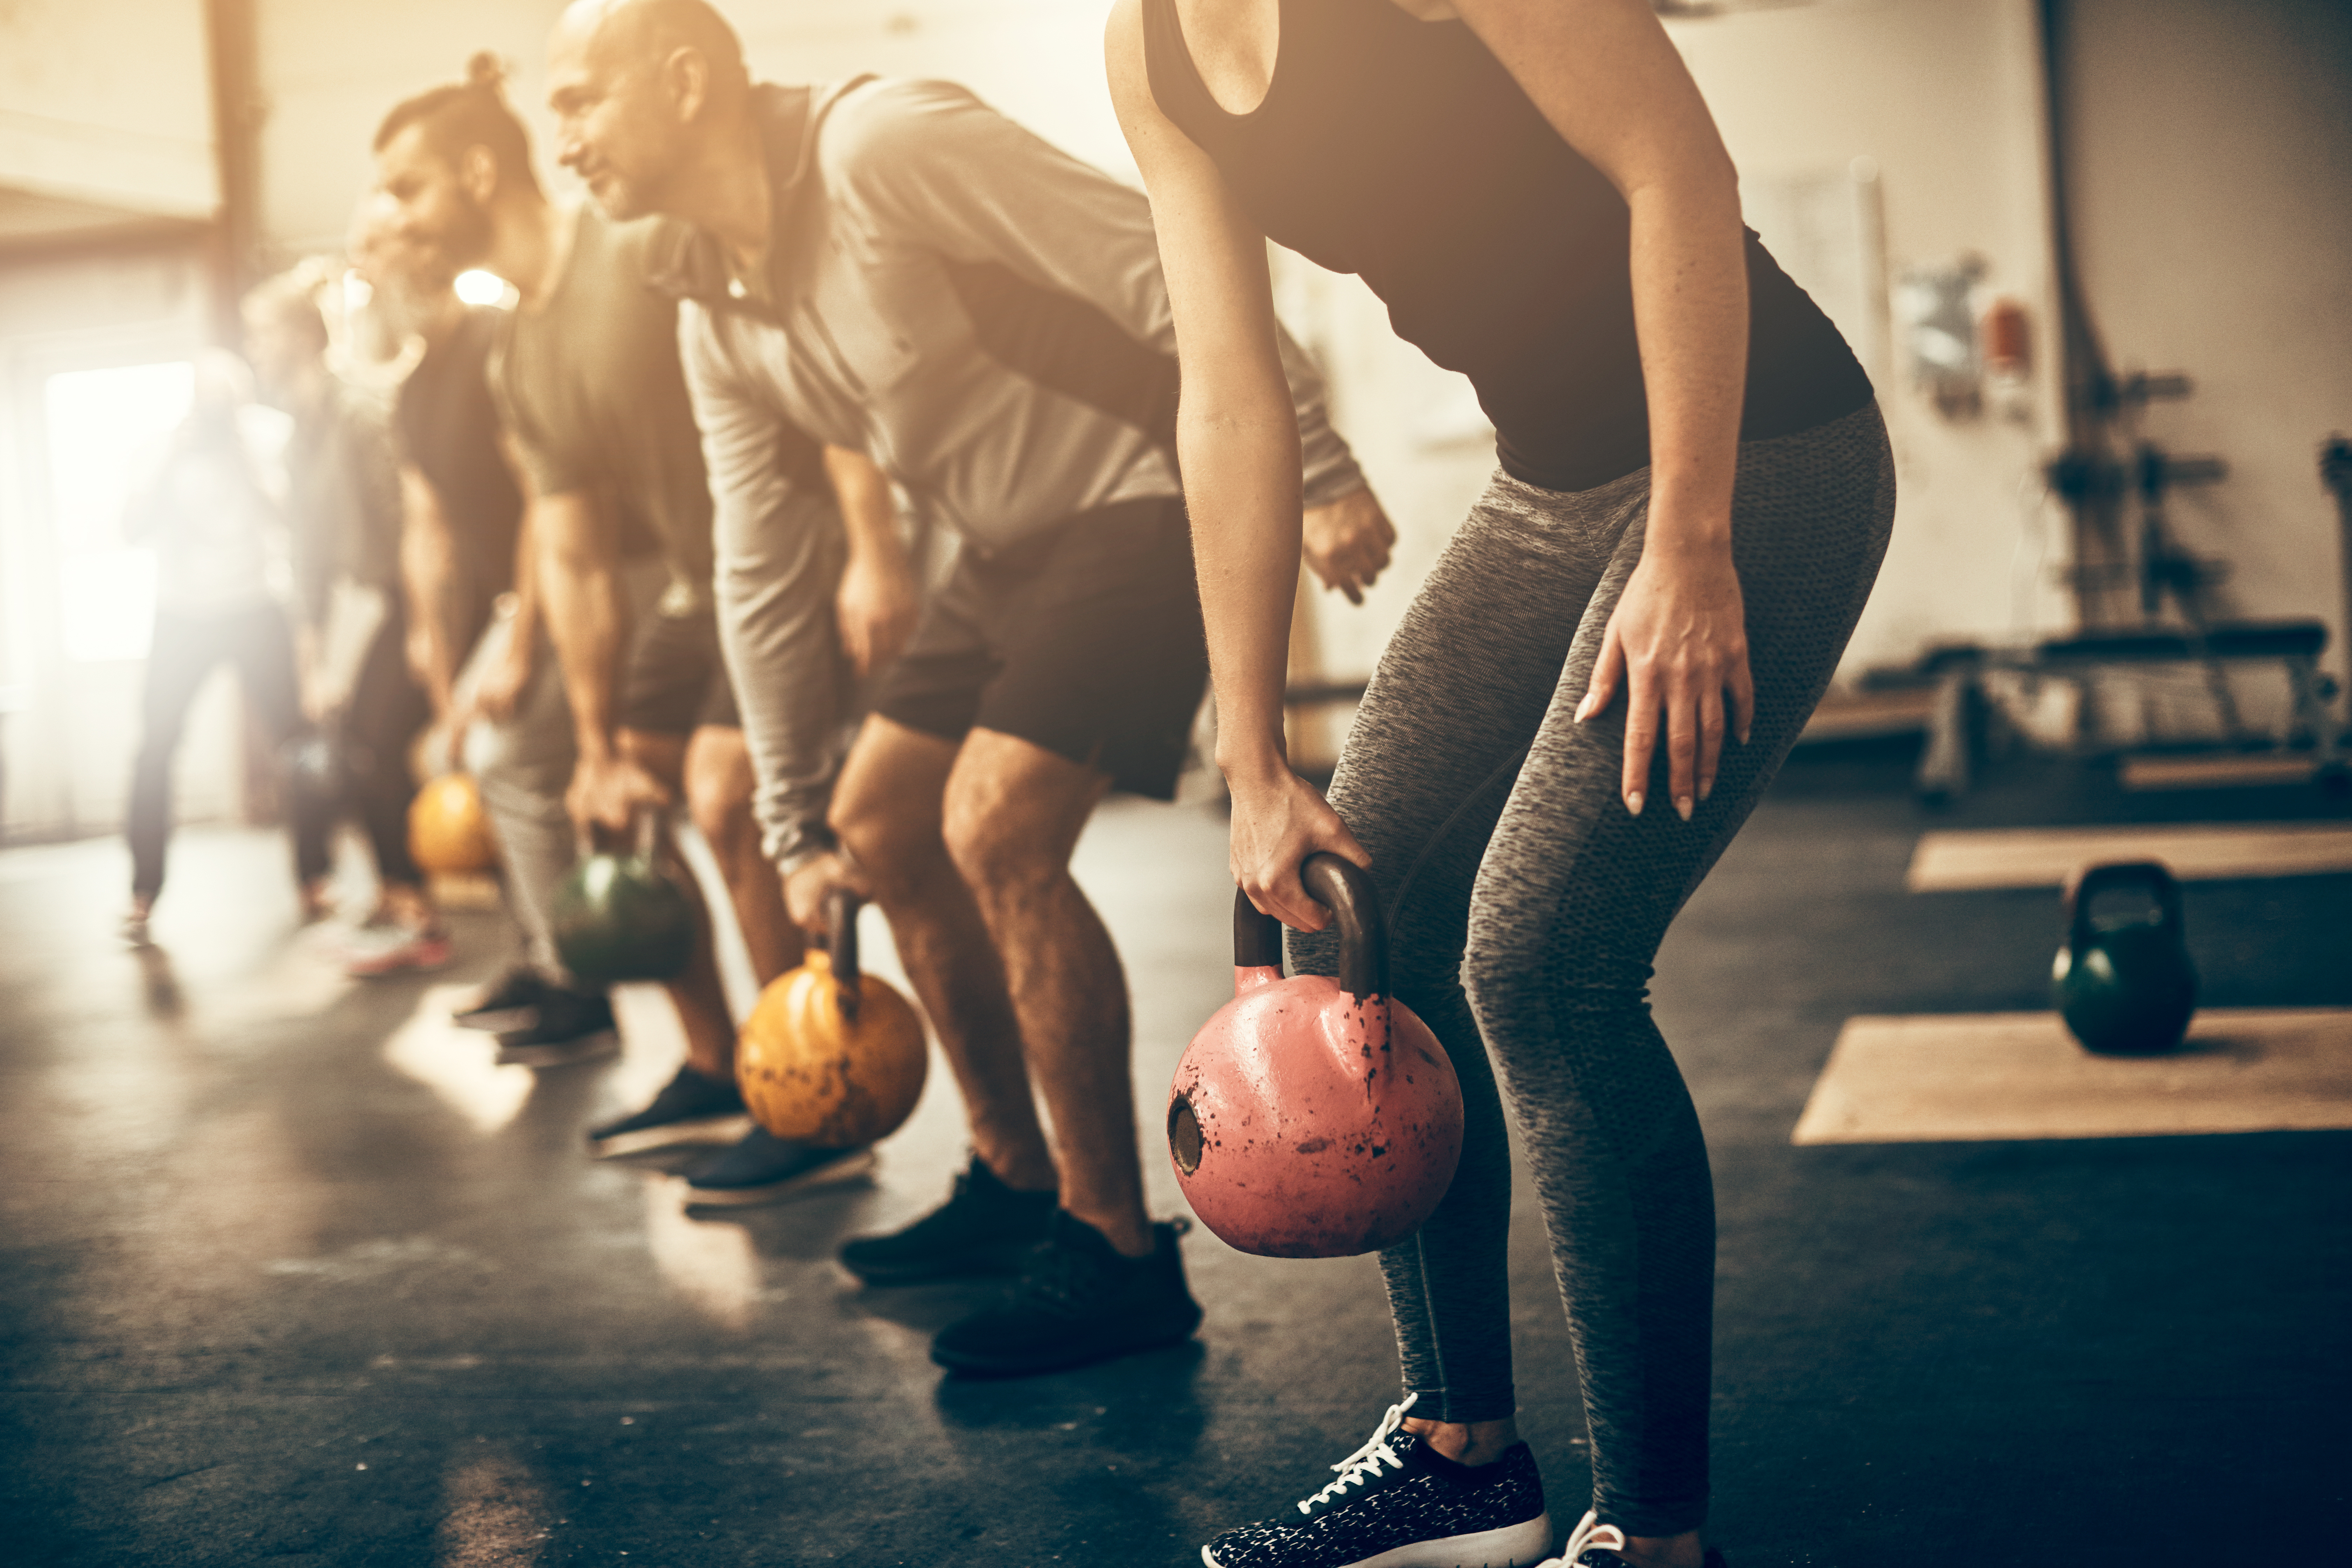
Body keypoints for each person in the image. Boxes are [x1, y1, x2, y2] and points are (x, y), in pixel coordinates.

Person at [1110, 2, 1895, 1564]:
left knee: (1544, 961)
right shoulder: (1153, 52)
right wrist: (1250, 747)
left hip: (1764, 454)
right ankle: (1464, 1451)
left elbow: (1678, 169)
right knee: (1353, 911)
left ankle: (1654, 1531)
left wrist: (1693, 538)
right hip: (1553, 487)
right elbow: (1229, 392)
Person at [541, 0, 1398, 1376]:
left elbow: (1167, 268)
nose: (561, 138)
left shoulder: (884, 144)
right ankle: (1012, 1182)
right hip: (1006, 544)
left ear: (685, 79)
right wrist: (791, 816)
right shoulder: (712, 302)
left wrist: (1320, 455)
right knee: (880, 829)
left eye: (579, 100)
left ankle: (1115, 1249)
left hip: (1145, 493)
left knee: (994, 825)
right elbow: (760, 566)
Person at [373, 57, 913, 1205]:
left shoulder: (639, 251)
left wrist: (873, 544)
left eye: (410, 189)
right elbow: (571, 560)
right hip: (699, 586)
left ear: (480, 172)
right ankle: (723, 1064)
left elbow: (810, 370)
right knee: (619, 789)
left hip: (800, 551)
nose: (396, 219)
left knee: (722, 790)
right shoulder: (522, 353)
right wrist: (601, 742)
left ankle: (811, 1099)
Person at [350, 201, 617, 1047]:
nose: (365, 270)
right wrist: (436, 662)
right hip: (498, 608)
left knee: (511, 761)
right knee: (464, 757)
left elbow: (551, 501)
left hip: (563, 589)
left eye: (377, 248)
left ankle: (583, 985)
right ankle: (540, 957)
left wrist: (524, 640)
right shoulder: (415, 385)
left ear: (420, 250)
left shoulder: (498, 342)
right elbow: (425, 531)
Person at [242, 263, 451, 975]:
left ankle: (416, 911)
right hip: (350, 613)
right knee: (361, 750)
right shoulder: (298, 432)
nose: (255, 349)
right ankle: (397, 897)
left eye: (264, 333)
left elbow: (410, 527)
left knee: (378, 747)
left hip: (398, 600)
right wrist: (314, 660)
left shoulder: (361, 409)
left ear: (303, 336)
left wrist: (429, 630)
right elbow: (307, 559)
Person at [121, 351, 317, 944]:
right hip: (182, 612)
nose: (213, 408)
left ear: (242, 397)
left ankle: (317, 879)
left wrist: (248, 461)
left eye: (223, 397)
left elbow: (300, 523)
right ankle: (143, 889)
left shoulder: (270, 437)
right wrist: (175, 458)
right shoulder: (162, 444)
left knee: (300, 747)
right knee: (155, 749)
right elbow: (131, 529)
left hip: (257, 605)